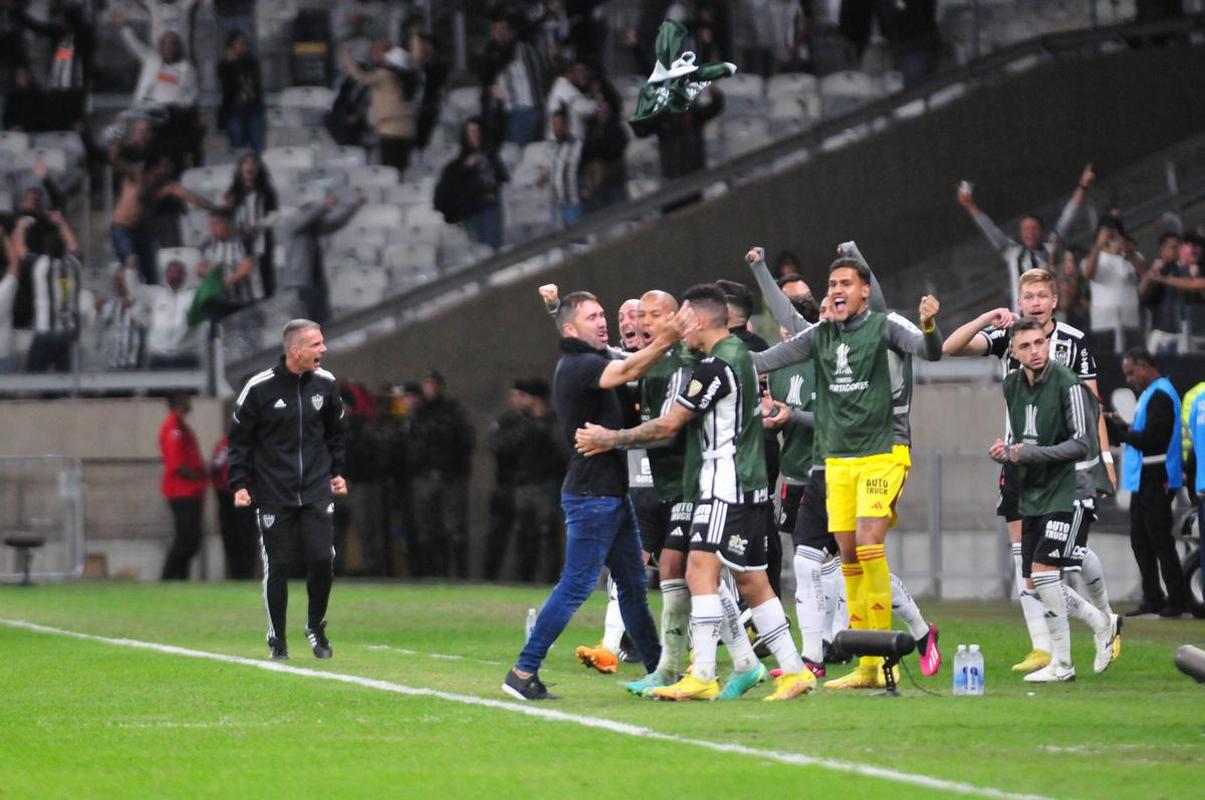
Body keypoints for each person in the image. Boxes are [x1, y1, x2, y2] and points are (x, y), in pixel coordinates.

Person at [576, 284, 815, 702]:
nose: (679, 326)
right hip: (738, 483)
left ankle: (703, 672)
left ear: (699, 320)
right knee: (749, 580)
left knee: (700, 572)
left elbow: (669, 425)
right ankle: (792, 670)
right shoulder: (736, 356)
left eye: (683, 317)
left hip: (726, 483)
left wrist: (610, 438)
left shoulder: (715, 367)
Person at [748, 255, 944, 689]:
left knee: (869, 544)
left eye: (845, 283)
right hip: (837, 460)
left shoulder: (887, 326)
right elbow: (765, 359)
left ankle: (886, 650)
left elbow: (930, 352)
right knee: (848, 557)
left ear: (864, 291)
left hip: (883, 452)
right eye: (832, 283)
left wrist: (930, 326)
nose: (836, 290)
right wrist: (715, 355)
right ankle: (868, 667)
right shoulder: (820, 335)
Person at [501, 290, 693, 700]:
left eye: (602, 313)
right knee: (576, 585)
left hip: (611, 495)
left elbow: (625, 362)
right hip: (593, 496)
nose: (602, 321)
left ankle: (660, 670)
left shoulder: (594, 357)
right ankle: (522, 671)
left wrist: (554, 309)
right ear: (572, 330)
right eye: (592, 317)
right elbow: (627, 370)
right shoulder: (579, 365)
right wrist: (666, 339)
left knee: (633, 587)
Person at [942, 266, 1118, 673]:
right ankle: (1050, 647)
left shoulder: (1072, 348)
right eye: (1029, 297)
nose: (1036, 303)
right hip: (1023, 469)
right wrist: (987, 317)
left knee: (1059, 560)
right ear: (1019, 302)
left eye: (1042, 296)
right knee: (1035, 571)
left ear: (1054, 301)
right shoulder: (1009, 346)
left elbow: (1092, 412)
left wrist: (1105, 460)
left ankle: (1098, 622)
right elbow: (950, 346)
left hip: (1068, 471)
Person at [990, 317, 1121, 682]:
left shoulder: (1069, 384)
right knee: (1035, 583)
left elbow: (1081, 443)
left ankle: (1063, 664)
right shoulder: (1011, 385)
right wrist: (1006, 452)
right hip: (1036, 490)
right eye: (1025, 346)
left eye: (1039, 343)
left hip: (1071, 488)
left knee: (1046, 573)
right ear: (1014, 353)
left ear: (1048, 344)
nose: (1034, 350)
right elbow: (1023, 439)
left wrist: (1027, 454)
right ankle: (1100, 622)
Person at [227, 319, 348, 660]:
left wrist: (337, 472)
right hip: (273, 492)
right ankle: (277, 639)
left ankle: (315, 626)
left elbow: (336, 434)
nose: (323, 349)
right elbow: (239, 441)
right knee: (278, 565)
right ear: (296, 350)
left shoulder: (326, 384)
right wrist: (239, 484)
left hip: (315, 488)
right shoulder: (259, 388)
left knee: (322, 558)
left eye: (323, 342)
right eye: (316, 344)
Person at [1107, 349, 1187, 618]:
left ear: (1144, 366)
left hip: (1157, 476)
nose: (1129, 379)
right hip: (1145, 478)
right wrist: (1124, 428)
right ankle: (1153, 599)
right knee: (1141, 541)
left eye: (1131, 372)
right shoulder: (1152, 393)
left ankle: (1177, 600)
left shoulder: (1160, 394)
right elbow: (1145, 434)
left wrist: (1121, 433)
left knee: (1160, 540)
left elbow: (1152, 439)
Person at [956, 165, 1093, 309]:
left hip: (1049, 313)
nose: (1030, 232)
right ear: (1020, 233)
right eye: (1026, 229)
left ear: (1041, 232)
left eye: (1034, 228)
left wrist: (1082, 187)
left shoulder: (1049, 247)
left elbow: (1067, 218)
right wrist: (970, 205)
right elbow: (989, 229)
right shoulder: (1012, 251)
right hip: (1022, 316)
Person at [407, 370, 475, 578]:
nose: (431, 388)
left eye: (434, 384)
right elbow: (409, 444)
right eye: (427, 384)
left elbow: (465, 442)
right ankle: (432, 574)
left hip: (449, 477)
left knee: (454, 531)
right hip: (424, 476)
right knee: (427, 531)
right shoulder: (417, 413)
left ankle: (459, 575)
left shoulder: (453, 412)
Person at [275, 192, 364, 325]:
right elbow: (307, 218)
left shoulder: (313, 228)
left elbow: (335, 223)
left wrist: (354, 206)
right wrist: (324, 205)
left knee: (324, 324)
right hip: (299, 287)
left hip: (316, 287)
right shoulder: (291, 222)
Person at [338, 39, 416, 174]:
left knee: (390, 171)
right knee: (402, 170)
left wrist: (345, 56)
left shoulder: (385, 75)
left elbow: (360, 78)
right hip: (408, 130)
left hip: (390, 130)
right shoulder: (410, 78)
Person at [434, 118, 508, 250]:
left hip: (491, 205)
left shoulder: (491, 156)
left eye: (477, 131)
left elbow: (502, 177)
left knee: (492, 245)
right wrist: (466, 167)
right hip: (472, 209)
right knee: (477, 246)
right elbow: (452, 182)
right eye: (471, 131)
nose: (474, 135)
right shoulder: (459, 162)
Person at [477, 11, 547, 145]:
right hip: (513, 111)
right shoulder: (497, 51)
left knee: (519, 151)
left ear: (512, 31)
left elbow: (499, 62)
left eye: (503, 29)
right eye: (495, 29)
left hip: (524, 109)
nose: (499, 33)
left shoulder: (519, 48)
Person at [159, 393, 208, 580]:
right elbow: (177, 464)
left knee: (191, 538)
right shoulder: (173, 428)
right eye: (186, 399)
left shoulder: (180, 426)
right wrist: (199, 475)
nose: (189, 402)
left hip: (191, 491)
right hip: (181, 491)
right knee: (186, 537)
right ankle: (168, 577)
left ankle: (181, 578)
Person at [26, 213, 81, 373]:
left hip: (46, 330)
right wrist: (61, 222)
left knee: (34, 377)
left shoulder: (41, 265)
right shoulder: (74, 264)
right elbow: (74, 248)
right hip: (68, 332)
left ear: (47, 249)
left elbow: (22, 253)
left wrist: (21, 227)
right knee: (64, 379)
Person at [1082, 213, 1144, 352]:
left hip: (1130, 322)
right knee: (1105, 362)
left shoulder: (1133, 256)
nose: (1110, 235)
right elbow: (1087, 274)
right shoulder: (1093, 257)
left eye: (1114, 231)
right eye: (1106, 231)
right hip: (1103, 324)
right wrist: (1098, 245)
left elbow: (1145, 275)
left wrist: (1128, 250)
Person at [225, 153, 278, 299]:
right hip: (239, 240)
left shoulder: (266, 191)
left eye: (252, 163)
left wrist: (259, 224)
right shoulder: (233, 192)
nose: (249, 166)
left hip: (261, 240)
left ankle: (265, 302)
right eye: (246, 163)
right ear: (240, 168)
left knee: (263, 275)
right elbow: (228, 214)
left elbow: (275, 215)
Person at [210, 434, 256, 579]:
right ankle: (239, 572)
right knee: (236, 536)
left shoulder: (230, 444)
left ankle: (244, 572)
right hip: (231, 495)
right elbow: (216, 468)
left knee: (244, 535)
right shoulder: (227, 444)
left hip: (239, 493)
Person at [217, 30, 266, 153]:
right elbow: (226, 85)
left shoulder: (251, 62)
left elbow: (256, 84)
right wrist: (230, 63)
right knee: (237, 146)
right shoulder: (225, 65)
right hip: (234, 109)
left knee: (256, 144)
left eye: (243, 43)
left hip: (253, 108)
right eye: (238, 43)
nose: (241, 46)